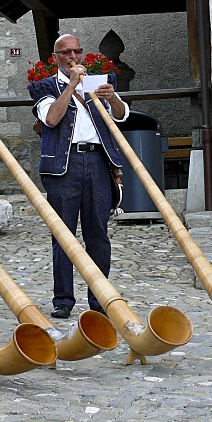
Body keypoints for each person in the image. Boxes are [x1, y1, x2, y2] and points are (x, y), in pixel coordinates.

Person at [28, 34, 128, 319]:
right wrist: (71, 84)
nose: (73, 57)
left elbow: (121, 115)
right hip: (64, 165)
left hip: (97, 161)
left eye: (77, 51)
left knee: (98, 234)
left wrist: (113, 98)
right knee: (63, 235)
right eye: (66, 52)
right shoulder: (45, 86)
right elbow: (51, 118)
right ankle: (63, 300)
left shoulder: (96, 82)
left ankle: (100, 299)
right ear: (55, 58)